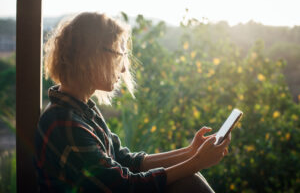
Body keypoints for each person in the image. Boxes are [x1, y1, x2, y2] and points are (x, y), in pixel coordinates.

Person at [35, 12, 231, 193]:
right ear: (92, 57)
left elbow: (126, 161)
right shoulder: (65, 124)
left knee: (190, 179)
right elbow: (125, 187)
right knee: (190, 181)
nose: (123, 69)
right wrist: (196, 162)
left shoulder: (80, 111)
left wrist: (191, 152)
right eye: (119, 56)